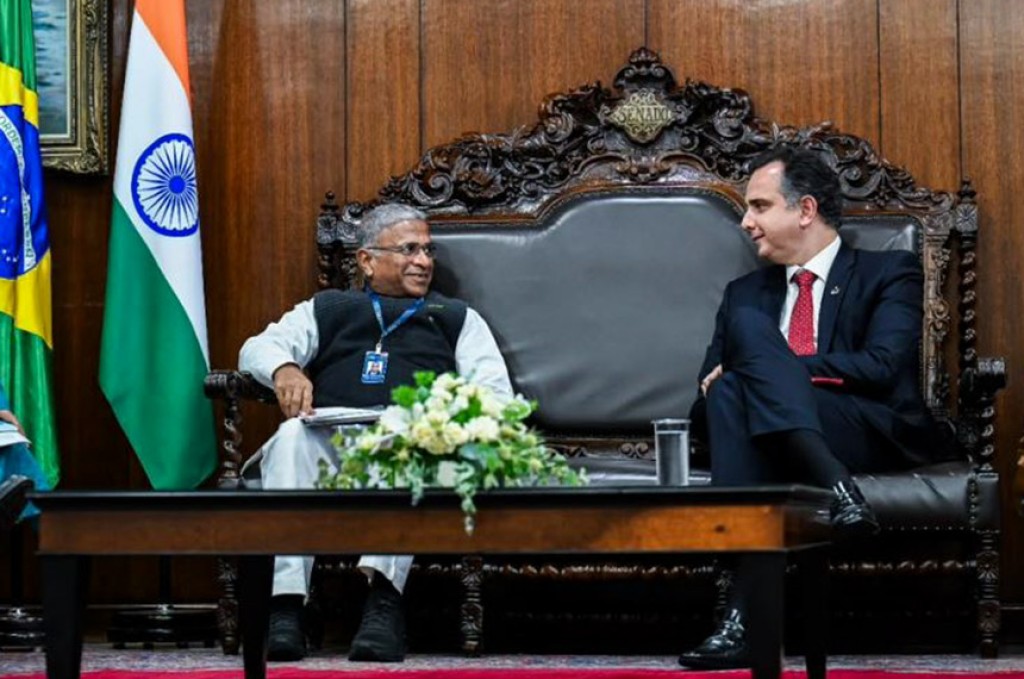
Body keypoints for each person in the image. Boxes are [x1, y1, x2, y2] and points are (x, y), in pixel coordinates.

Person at [678, 146, 941, 670]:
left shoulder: (889, 271)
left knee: (747, 370)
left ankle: (741, 618)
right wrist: (753, 377)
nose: (746, 222)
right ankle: (839, 490)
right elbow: (710, 395)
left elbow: (882, 366)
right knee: (734, 389)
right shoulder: (744, 294)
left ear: (805, 210)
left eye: (759, 206)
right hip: (769, 428)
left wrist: (769, 367)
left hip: (859, 425)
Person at [238, 203, 513, 662]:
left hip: (407, 441)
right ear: (367, 260)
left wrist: (443, 419)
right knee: (289, 438)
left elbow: (497, 397)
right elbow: (256, 348)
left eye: (427, 251)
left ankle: (384, 603)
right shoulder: (329, 308)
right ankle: (286, 607)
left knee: (408, 441)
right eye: (409, 250)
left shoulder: (455, 317)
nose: (423, 261)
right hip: (330, 441)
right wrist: (284, 368)